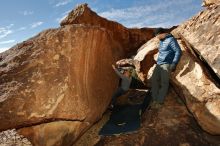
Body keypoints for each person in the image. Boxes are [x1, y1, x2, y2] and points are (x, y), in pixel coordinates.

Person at [151, 28, 182, 104]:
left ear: (161, 33)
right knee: (154, 80)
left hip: (166, 64)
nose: (157, 37)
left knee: (164, 83)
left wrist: (174, 63)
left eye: (157, 36)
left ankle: (159, 101)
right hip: (159, 64)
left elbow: (178, 51)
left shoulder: (171, 40)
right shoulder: (161, 42)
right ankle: (154, 99)